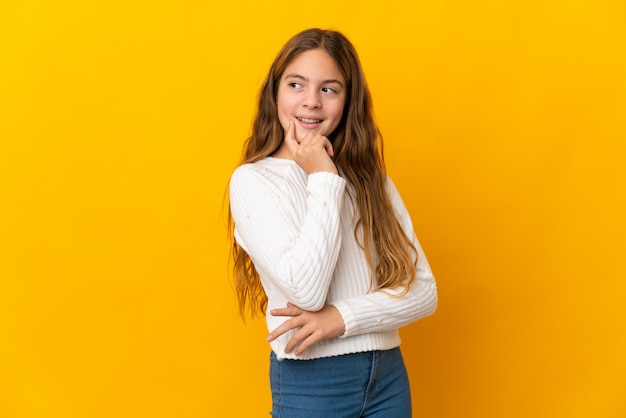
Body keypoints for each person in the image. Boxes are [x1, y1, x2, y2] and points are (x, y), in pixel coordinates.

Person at [228, 28, 438, 418]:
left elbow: (424, 291)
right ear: (275, 92)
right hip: (313, 384)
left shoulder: (371, 181)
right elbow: (306, 292)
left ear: (347, 101)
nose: (311, 101)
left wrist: (341, 318)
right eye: (296, 84)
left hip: (389, 377)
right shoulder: (254, 181)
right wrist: (323, 178)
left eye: (329, 89)